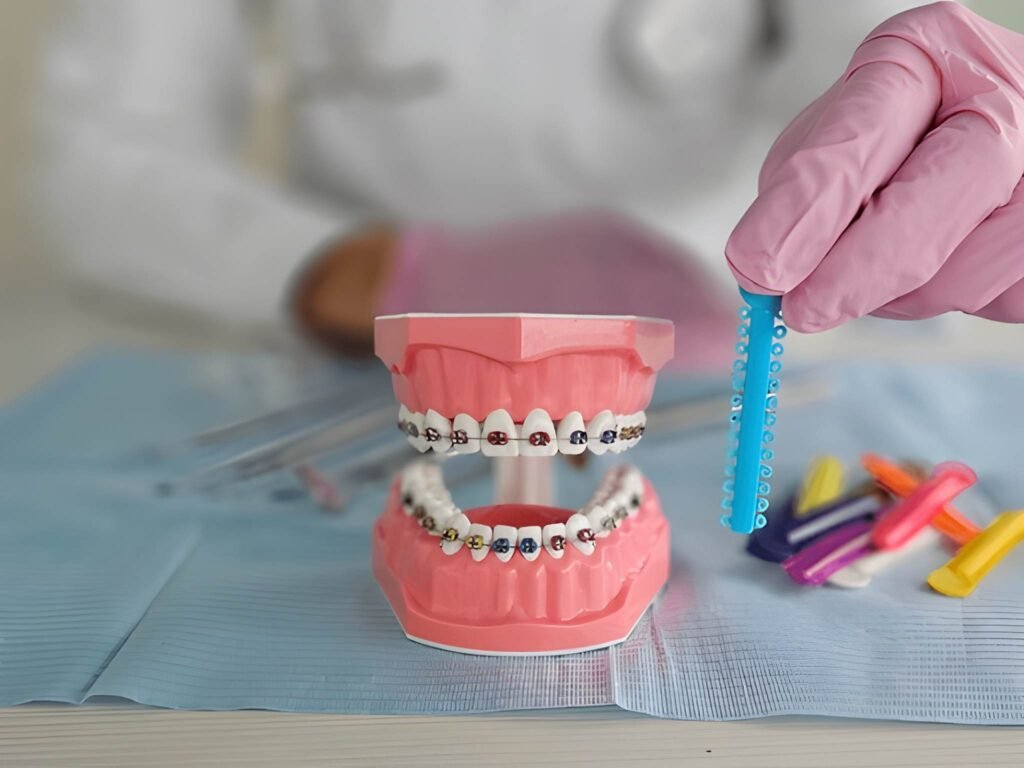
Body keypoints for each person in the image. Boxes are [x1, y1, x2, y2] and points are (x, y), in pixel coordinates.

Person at [34, 0, 953, 369]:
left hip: (733, 351)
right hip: (364, 361)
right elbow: (104, 154)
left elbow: (878, 75)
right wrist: (335, 270)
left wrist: (727, 260)